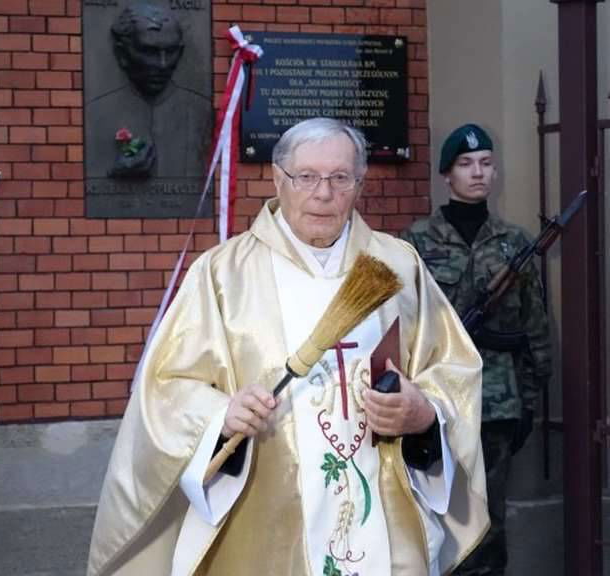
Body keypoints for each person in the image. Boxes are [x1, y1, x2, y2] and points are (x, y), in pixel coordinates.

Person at [88, 117, 488, 576]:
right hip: (262, 520)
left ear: (359, 184)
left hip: (383, 513)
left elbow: (451, 370)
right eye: (307, 177)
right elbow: (166, 389)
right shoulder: (222, 273)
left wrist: (423, 414)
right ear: (280, 179)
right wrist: (221, 415)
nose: (324, 193)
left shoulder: (397, 266)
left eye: (340, 178)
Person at [402, 123, 552, 576]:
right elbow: (403, 326)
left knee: (488, 523)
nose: (478, 173)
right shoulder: (417, 243)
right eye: (466, 164)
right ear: (447, 174)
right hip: (435, 403)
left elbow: (534, 328)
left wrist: (528, 401)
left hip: (496, 405)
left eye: (486, 163)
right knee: (432, 515)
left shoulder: (514, 242)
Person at [85, 2, 210, 180]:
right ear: (122, 54)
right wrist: (115, 173)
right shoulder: (96, 112)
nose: (162, 64)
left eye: (171, 51)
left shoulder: (201, 110)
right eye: (148, 51)